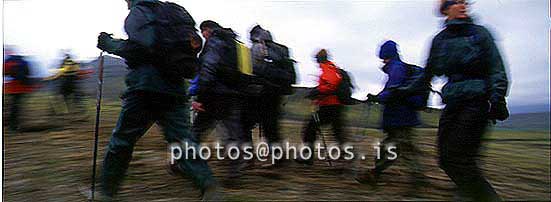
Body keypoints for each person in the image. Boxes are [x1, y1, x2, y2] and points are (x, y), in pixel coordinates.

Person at [95, 0, 218, 200]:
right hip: (175, 88)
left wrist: (110, 44)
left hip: (145, 87)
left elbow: (142, 47)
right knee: (182, 141)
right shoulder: (171, 13)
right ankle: (208, 184)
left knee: (122, 141)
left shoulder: (139, 12)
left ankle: (106, 192)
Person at [403, 0, 510, 201]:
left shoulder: (480, 33)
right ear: (445, 10)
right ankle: (470, 195)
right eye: (456, 2)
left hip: (477, 100)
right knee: (445, 159)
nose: (463, 6)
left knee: (461, 160)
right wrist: (401, 91)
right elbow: (427, 74)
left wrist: (498, 99)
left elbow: (496, 68)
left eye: (464, 2)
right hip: (452, 102)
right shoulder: (439, 40)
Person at [355, 41, 426, 191]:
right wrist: (379, 97)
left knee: (403, 149)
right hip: (401, 116)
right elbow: (394, 91)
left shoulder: (396, 68)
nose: (382, 59)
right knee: (390, 148)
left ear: (386, 54)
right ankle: (375, 173)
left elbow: (393, 92)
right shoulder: (397, 68)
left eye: (383, 56)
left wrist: (377, 98)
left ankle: (418, 182)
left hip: (400, 117)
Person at [191, 20, 250, 179]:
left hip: (213, 96)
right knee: (234, 135)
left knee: (197, 131)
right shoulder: (237, 45)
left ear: (208, 30)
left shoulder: (214, 42)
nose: (203, 35)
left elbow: (208, 69)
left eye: (203, 31)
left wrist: (200, 98)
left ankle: (181, 162)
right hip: (234, 96)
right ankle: (235, 171)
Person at [242, 25, 296, 167]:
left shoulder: (256, 47)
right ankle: (279, 159)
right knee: (271, 127)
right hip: (276, 94)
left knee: (245, 124)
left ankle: (248, 158)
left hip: (259, 93)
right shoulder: (282, 50)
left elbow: (253, 70)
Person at [298, 49, 346, 165]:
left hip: (329, 105)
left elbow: (331, 84)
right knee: (337, 132)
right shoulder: (333, 67)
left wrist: (317, 91)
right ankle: (346, 155)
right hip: (336, 105)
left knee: (310, 128)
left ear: (319, 59)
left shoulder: (326, 68)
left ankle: (307, 156)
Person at [3, 48, 33, 133]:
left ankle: (10, 125)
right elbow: (28, 73)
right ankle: (14, 125)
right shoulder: (24, 62)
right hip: (21, 87)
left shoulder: (8, 61)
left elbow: (4, 72)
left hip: (10, 86)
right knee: (16, 106)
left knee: (11, 106)